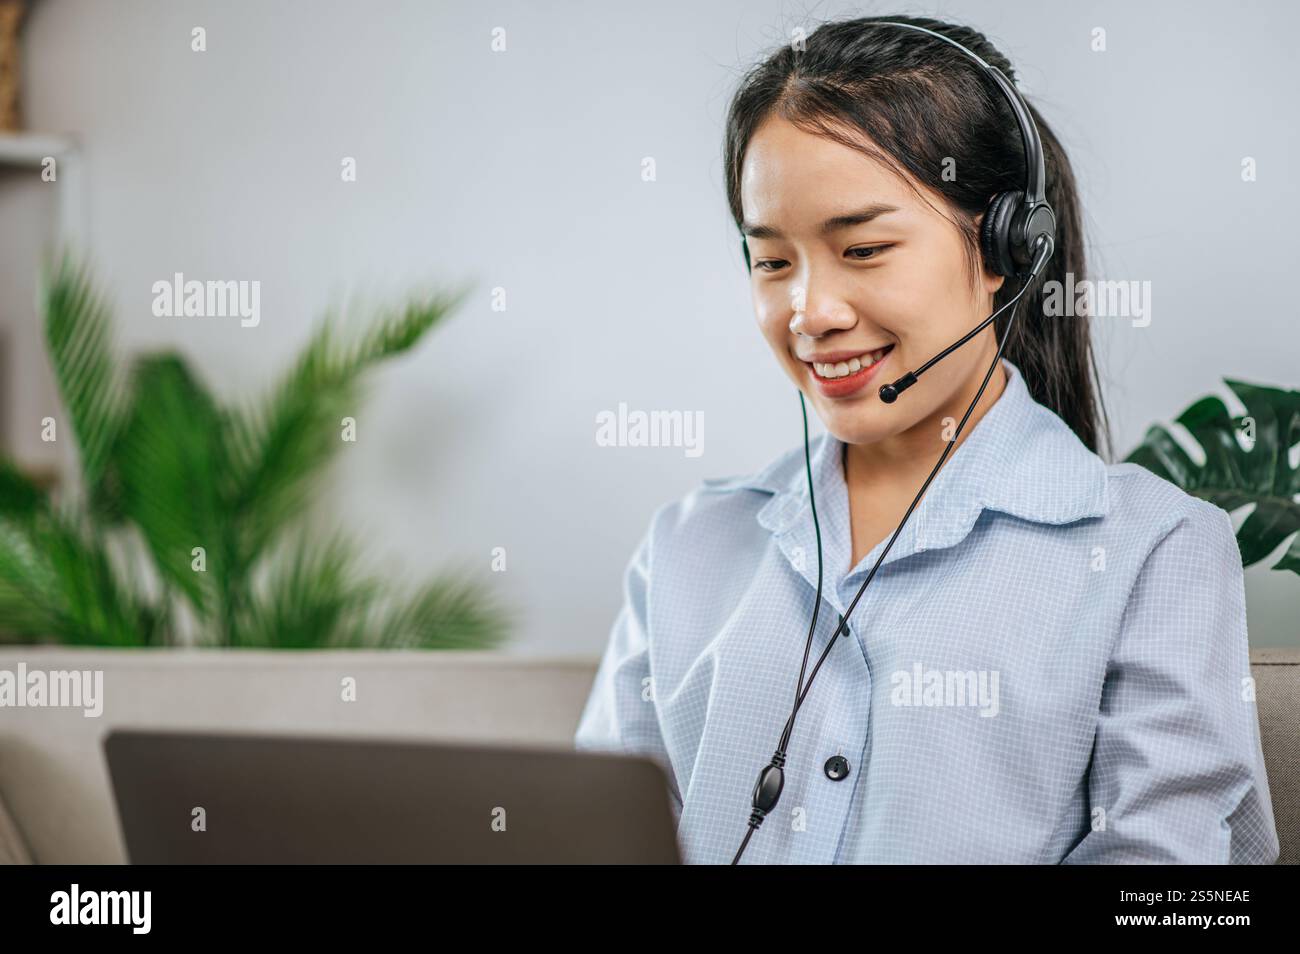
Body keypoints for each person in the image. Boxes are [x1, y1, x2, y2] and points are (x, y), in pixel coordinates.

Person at [574, 14, 1280, 865]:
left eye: (863, 248)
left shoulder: (1149, 552)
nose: (811, 313)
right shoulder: (686, 548)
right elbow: (595, 837)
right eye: (771, 262)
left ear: (1004, 249)